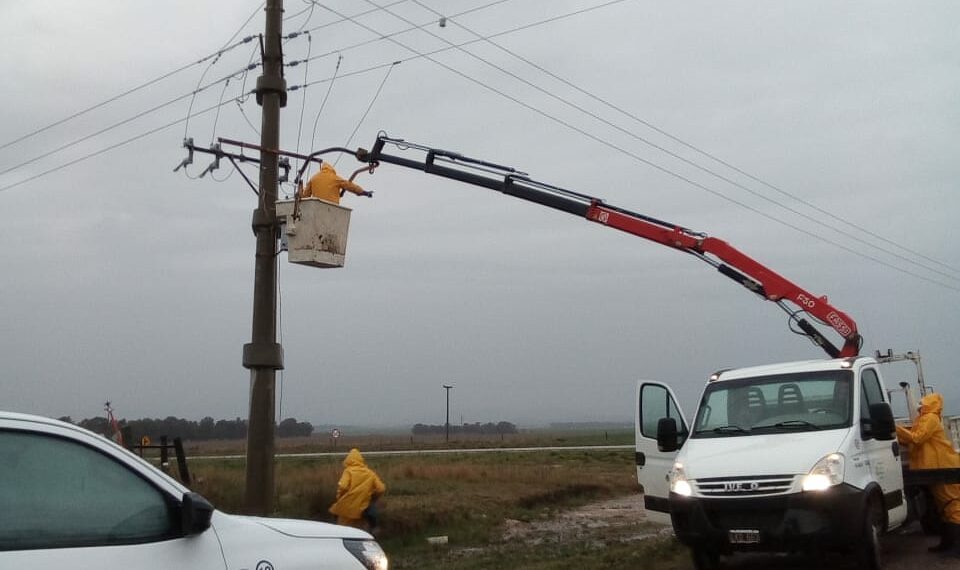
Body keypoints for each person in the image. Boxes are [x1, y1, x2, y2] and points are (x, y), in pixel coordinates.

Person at [896, 392, 960, 557]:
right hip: (935, 466)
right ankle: (947, 543)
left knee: (952, 505)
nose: (919, 404)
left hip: (942, 466)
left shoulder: (930, 418)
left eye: (922, 402)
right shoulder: (925, 419)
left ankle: (956, 546)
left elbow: (917, 438)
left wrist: (895, 429)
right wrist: (899, 435)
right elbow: (913, 439)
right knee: (943, 507)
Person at [329, 448, 386, 532]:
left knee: (343, 532)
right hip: (362, 510)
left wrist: (339, 497)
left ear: (348, 459)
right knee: (360, 534)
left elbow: (343, 486)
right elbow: (381, 488)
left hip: (345, 510)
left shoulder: (348, 471)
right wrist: (373, 498)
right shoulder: (370, 473)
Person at [301, 163, 372, 204]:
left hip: (316, 208)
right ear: (332, 169)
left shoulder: (313, 178)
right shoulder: (335, 178)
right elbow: (350, 186)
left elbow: (305, 196)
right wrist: (364, 192)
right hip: (332, 209)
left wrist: (299, 195)